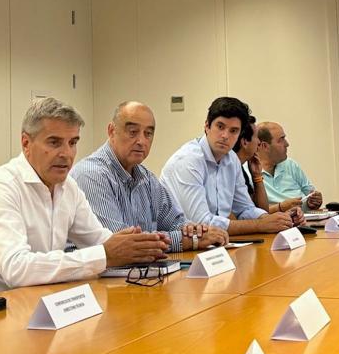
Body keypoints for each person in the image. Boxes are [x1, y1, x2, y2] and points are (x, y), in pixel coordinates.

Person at [0, 97, 168, 297]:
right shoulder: (1, 188)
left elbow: (99, 240)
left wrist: (139, 247)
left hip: (41, 303)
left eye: (72, 143)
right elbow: (17, 269)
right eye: (54, 143)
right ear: (26, 143)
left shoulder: (68, 187)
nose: (66, 154)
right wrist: (104, 254)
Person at [72, 101, 227, 253]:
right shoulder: (91, 175)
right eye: (133, 132)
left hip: (142, 268)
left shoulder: (147, 178)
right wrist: (190, 240)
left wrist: (196, 231)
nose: (141, 141)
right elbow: (121, 245)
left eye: (148, 134)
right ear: (112, 131)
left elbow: (176, 222)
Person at [161, 97, 303, 236]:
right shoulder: (188, 160)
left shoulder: (231, 159)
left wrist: (278, 219)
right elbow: (201, 223)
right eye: (220, 126)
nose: (225, 135)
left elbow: (245, 209)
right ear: (207, 126)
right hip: (178, 245)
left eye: (233, 131)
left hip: (215, 242)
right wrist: (260, 224)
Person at [234, 119, 298, 214]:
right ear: (245, 142)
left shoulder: (242, 169)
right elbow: (229, 218)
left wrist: (257, 176)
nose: (259, 142)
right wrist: (278, 212)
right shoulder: (229, 170)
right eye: (256, 137)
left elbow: (260, 211)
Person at [255, 121, 323, 210]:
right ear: (265, 146)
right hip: (278, 218)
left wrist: (314, 201)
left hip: (306, 217)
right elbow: (252, 212)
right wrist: (281, 207)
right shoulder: (249, 172)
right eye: (281, 140)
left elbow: (310, 194)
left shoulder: (291, 164)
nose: (287, 144)